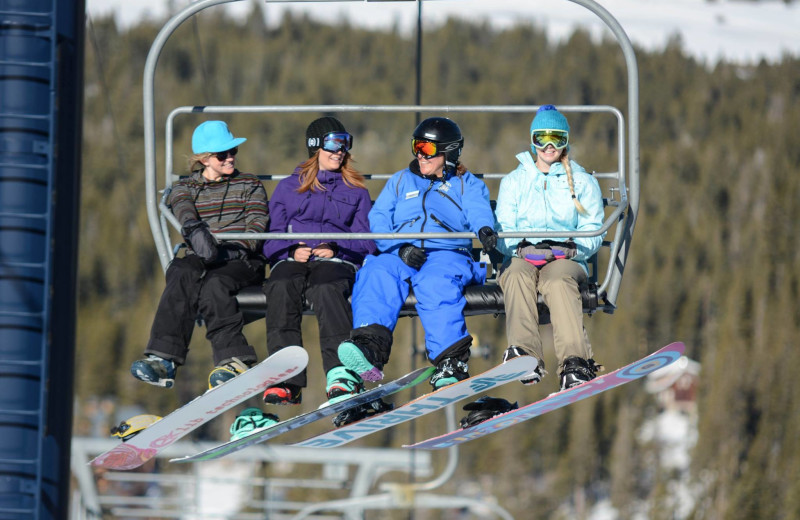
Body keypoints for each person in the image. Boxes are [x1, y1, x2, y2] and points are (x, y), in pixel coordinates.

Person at [335, 116, 498, 390]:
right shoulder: (401, 181)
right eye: (416, 147)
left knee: (435, 283)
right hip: (402, 251)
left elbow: (477, 209)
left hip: (447, 251)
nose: (420, 155)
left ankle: (451, 360)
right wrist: (397, 247)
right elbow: (379, 218)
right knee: (376, 271)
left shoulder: (466, 184)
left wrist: (484, 229)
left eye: (428, 149)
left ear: (449, 152)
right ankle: (369, 348)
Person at [130, 120, 269, 389]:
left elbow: (257, 225)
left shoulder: (249, 184)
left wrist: (229, 248)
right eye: (222, 154)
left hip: (241, 257)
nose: (230, 158)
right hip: (203, 255)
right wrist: (194, 231)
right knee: (181, 271)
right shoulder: (187, 188)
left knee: (215, 284)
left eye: (233, 152)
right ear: (205, 159)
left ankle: (233, 358)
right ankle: (164, 358)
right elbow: (182, 206)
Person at [260, 117, 376, 406]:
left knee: (327, 289)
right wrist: (288, 251)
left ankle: (341, 372)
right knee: (282, 284)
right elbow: (271, 234)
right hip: (295, 258)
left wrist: (336, 248)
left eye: (345, 144)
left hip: (336, 262)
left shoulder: (356, 191)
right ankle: (286, 376)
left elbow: (368, 240)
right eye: (334, 144)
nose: (340, 151)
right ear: (316, 147)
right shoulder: (289, 187)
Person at [495, 105, 605, 390]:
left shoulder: (582, 182)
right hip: (525, 254)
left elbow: (593, 231)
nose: (549, 146)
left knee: (557, 280)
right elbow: (503, 229)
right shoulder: (514, 182)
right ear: (532, 141)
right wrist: (519, 250)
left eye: (556, 138)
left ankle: (575, 361)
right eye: (541, 138)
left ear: (566, 141)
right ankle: (525, 353)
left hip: (566, 257)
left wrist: (570, 249)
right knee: (515, 273)